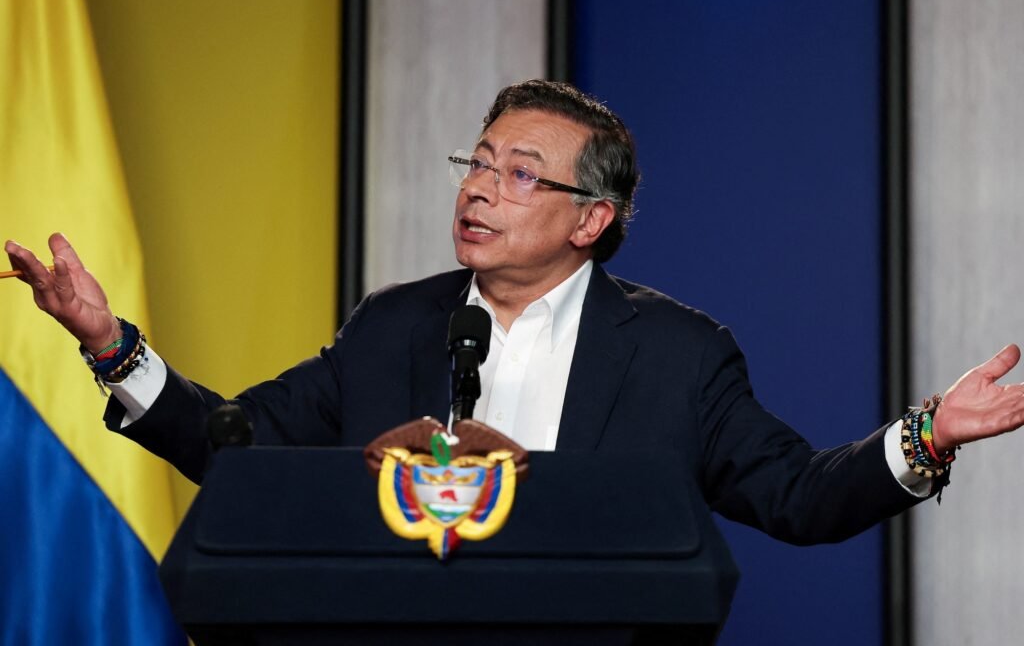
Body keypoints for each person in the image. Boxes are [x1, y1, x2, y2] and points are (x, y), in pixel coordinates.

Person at [7, 79, 1024, 544]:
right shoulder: (391, 327)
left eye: (521, 174)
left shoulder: (678, 355)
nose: (480, 189)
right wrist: (110, 345)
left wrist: (928, 433)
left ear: (591, 219)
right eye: (478, 162)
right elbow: (238, 444)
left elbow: (799, 497)